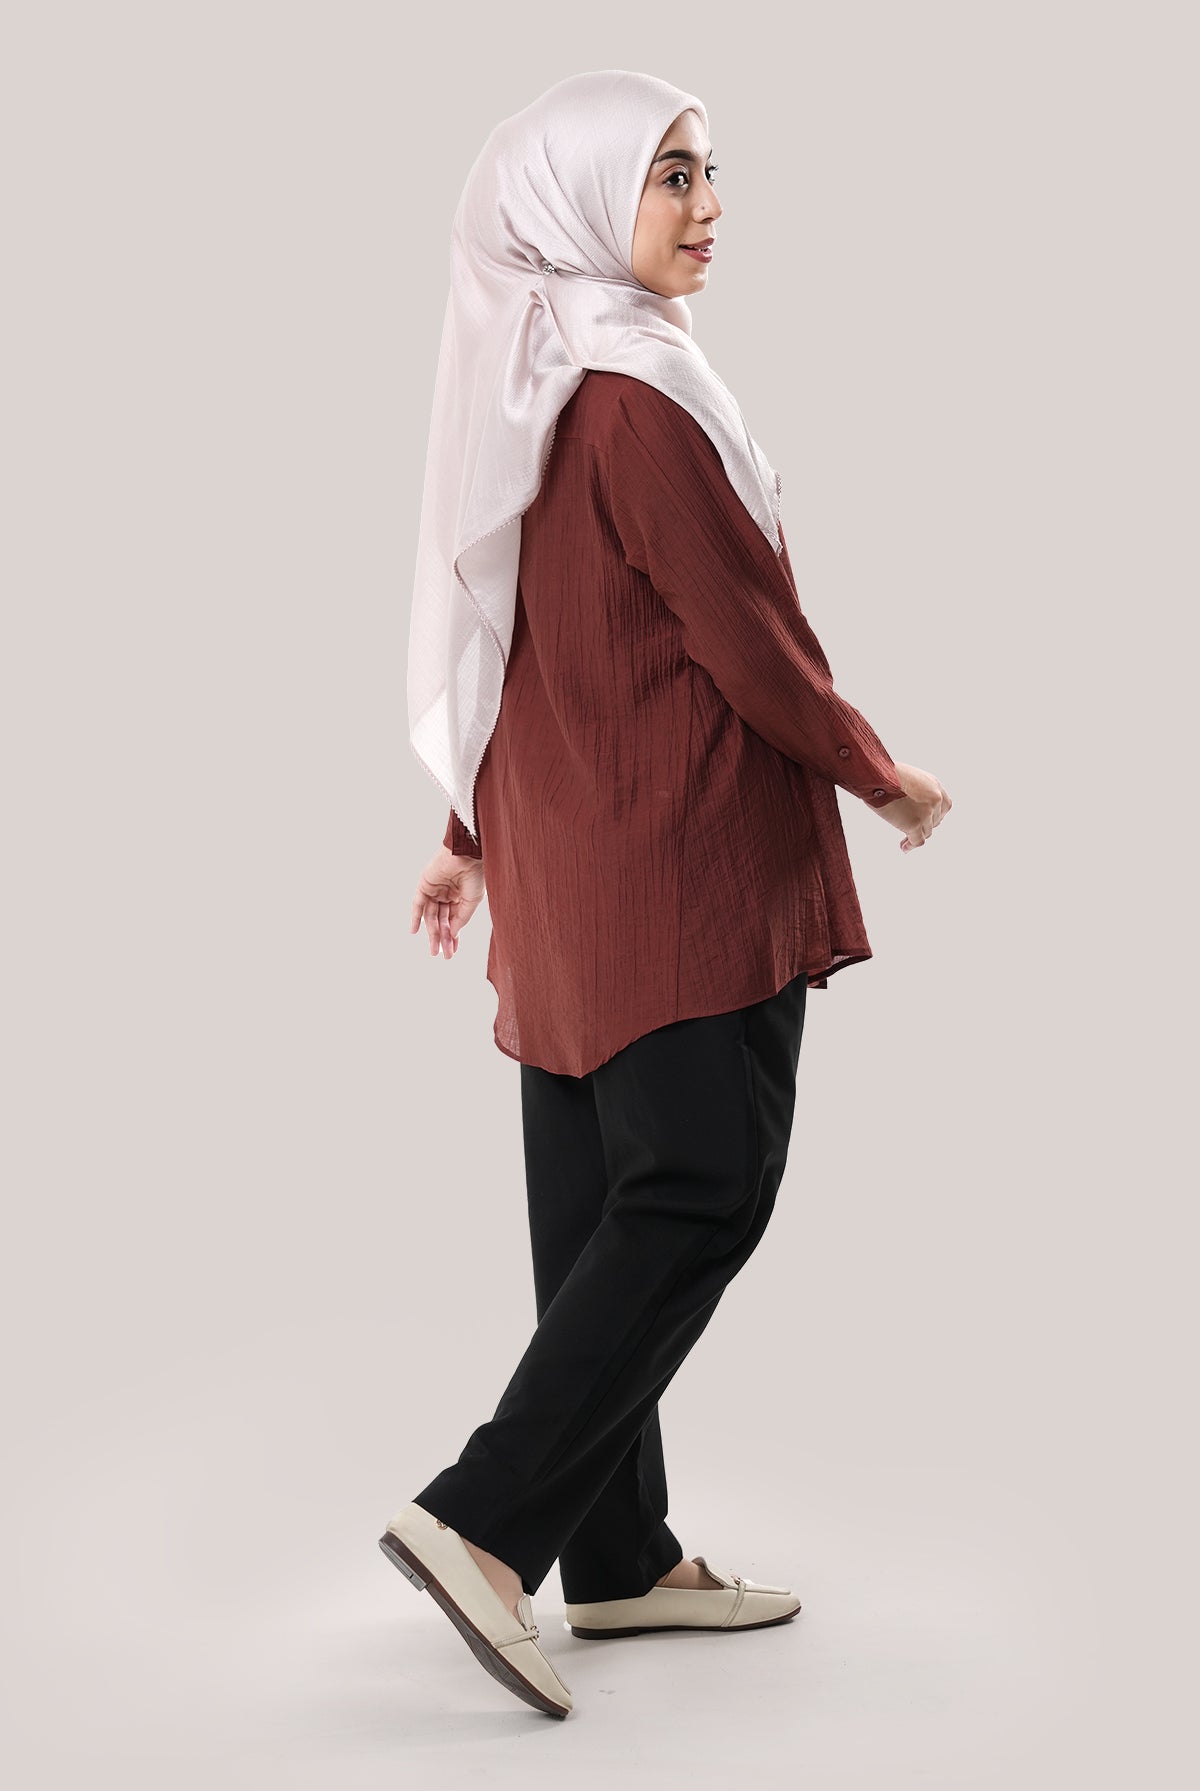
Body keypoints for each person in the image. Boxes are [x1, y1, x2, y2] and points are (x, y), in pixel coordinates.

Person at [380, 70, 951, 1721]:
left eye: (709, 171)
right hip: (675, 858)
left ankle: (618, 1557)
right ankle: (486, 1522)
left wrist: (466, 831)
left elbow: (495, 619)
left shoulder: (536, 383)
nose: (708, 206)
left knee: (595, 1213)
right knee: (701, 1183)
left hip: (566, 858)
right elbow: (744, 635)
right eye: (670, 175)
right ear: (577, 203)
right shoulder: (636, 401)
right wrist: (877, 771)